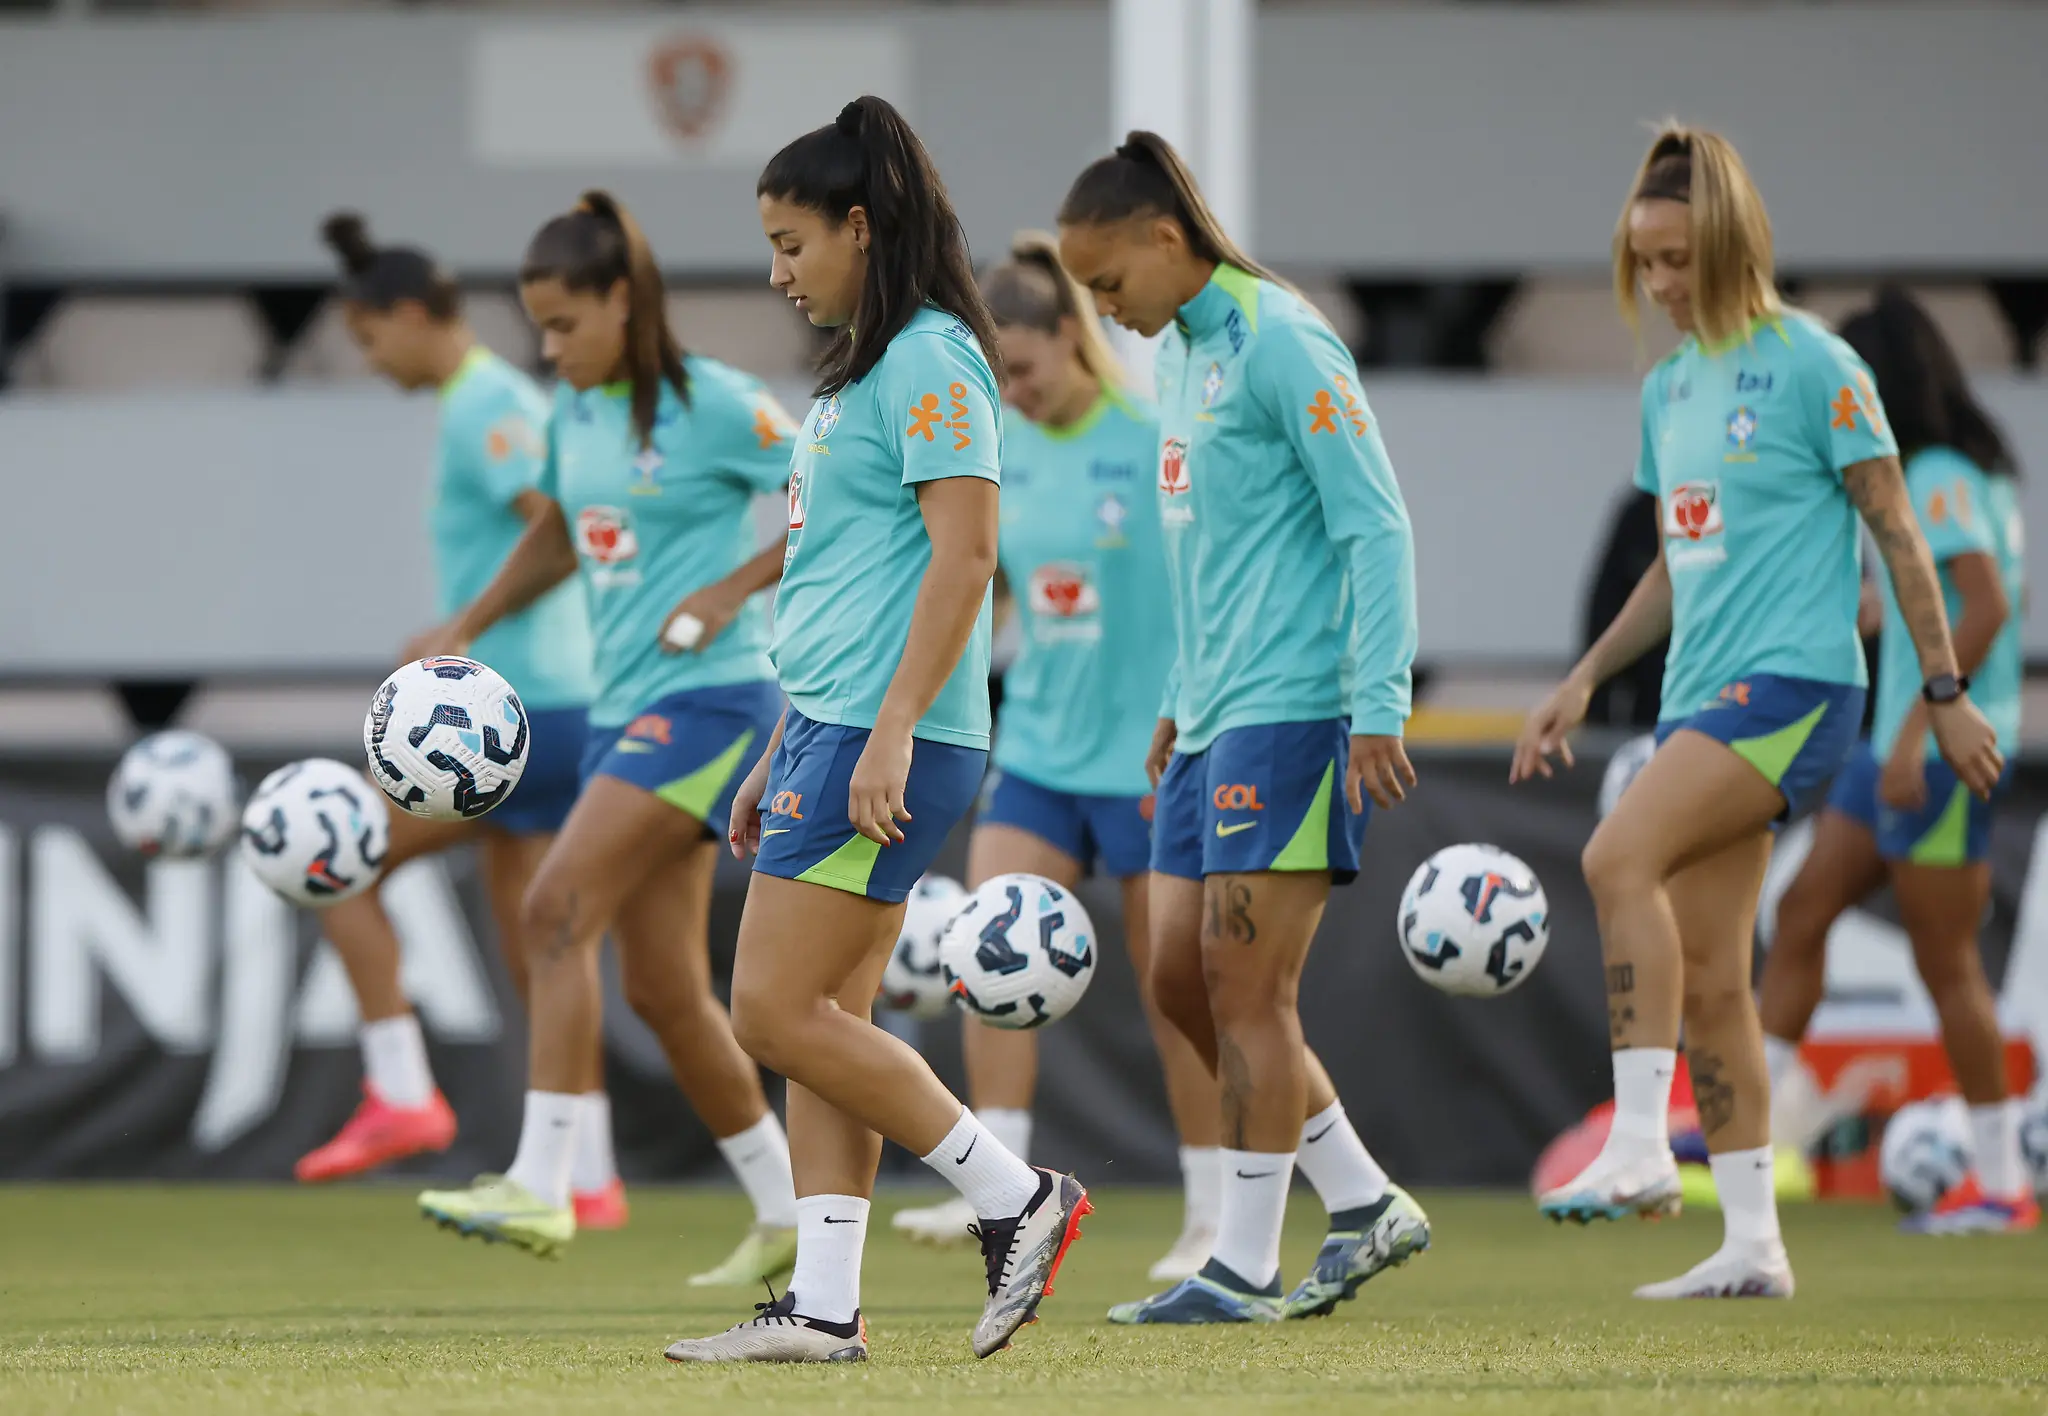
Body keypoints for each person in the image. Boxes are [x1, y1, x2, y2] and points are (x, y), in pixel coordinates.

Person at [1513, 128, 2004, 1299]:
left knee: (1614, 855)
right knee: (1714, 977)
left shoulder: (1816, 366)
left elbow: (1900, 537)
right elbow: (1669, 567)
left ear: (1734, 244)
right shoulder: (1666, 391)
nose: (1660, 284)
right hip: (1700, 691)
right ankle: (1750, 1244)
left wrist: (1941, 693)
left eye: (1676, 259)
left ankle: (1641, 1142)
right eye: (1643, 263)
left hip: (1796, 685)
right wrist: (1583, 675)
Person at [663, 96, 1088, 1367]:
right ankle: (824, 1306)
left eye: (791, 244)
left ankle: (1013, 1197)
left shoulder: (934, 360)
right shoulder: (866, 370)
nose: (778, 274)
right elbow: (844, 578)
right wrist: (778, 747)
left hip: (881, 733)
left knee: (770, 1012)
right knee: (825, 1026)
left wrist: (890, 728)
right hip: (830, 724)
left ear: (860, 226)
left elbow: (966, 560)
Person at [1055, 131, 1428, 1325]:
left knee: (1240, 985)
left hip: (1294, 707)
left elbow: (1375, 525)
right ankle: (1361, 1200)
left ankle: (1243, 1264)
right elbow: (1207, 550)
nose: (1104, 312)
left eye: (1108, 281)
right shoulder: (1175, 357)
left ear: (1166, 239)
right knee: (1176, 978)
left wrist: (1378, 703)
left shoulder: (1283, 341)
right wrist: (1177, 693)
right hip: (1210, 715)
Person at [413, 191, 803, 1285]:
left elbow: (835, 499)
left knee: (552, 908)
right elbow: (558, 540)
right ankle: (785, 1207)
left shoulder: (717, 404)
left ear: (623, 301)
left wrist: (729, 590)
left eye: (564, 324)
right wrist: (466, 627)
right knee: (662, 991)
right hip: (621, 712)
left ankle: (543, 1183)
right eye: (536, 327)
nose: (548, 349)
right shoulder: (573, 413)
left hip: (714, 703)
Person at [888, 233, 1222, 1282]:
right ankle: (998, 1183)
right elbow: (977, 589)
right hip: (1036, 748)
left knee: (1174, 988)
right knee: (984, 953)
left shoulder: (1154, 437)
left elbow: (1214, 580)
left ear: (1072, 339)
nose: (1017, 394)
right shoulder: (1003, 449)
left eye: (1025, 371)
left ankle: (1213, 1212)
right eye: (1002, 380)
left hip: (1150, 759)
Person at [294, 214, 623, 1227]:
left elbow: (563, 531)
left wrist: (462, 628)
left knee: (329, 855)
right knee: (541, 946)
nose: (370, 361)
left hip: (516, 715)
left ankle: (400, 1089)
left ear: (407, 315)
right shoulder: (480, 401)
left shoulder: (488, 404)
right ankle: (588, 1175)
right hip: (548, 703)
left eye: (368, 339)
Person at [1759, 287, 2034, 1235]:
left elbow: (1987, 608)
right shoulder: (1958, 471)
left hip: (1939, 751)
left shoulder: (1940, 473)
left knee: (1947, 963)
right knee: (1803, 912)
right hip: (1894, 745)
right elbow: (1957, 601)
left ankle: (2001, 1182)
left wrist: (1918, 732)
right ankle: (1741, 1137)